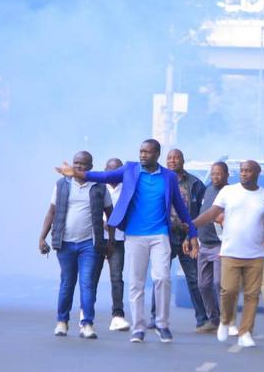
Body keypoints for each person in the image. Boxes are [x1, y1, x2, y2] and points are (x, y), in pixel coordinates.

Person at [55, 139, 198, 344]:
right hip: (134, 235)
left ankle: (162, 324)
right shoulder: (130, 170)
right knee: (136, 283)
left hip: (160, 235)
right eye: (141, 151)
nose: (142, 155)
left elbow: (181, 207)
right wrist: (76, 173)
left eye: (147, 152)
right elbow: (104, 176)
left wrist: (192, 231)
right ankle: (138, 328)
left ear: (157, 154)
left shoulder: (168, 177)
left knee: (162, 278)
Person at [192, 160, 264, 348]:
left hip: (256, 253)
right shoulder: (228, 192)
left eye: (249, 171)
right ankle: (225, 321)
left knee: (251, 295)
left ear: (256, 173)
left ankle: (245, 332)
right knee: (228, 290)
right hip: (231, 251)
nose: (244, 174)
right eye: (242, 171)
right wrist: (193, 225)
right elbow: (212, 213)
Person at [39, 151, 113, 339]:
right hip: (65, 243)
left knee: (87, 283)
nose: (78, 166)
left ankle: (87, 324)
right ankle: (62, 322)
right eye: (76, 163)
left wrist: (110, 241)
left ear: (90, 166)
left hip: (90, 244)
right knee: (67, 283)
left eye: (83, 164)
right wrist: (42, 238)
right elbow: (51, 212)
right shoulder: (62, 185)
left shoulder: (99, 186)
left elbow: (110, 214)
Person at [149, 149, 208, 331]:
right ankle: (154, 317)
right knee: (160, 277)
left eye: (176, 158)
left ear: (183, 160)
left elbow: (202, 212)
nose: (172, 161)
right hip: (164, 235)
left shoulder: (195, 184)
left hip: (187, 238)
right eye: (169, 158)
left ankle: (202, 318)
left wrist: (193, 233)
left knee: (194, 278)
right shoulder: (159, 180)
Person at [94, 158, 130, 332]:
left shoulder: (128, 190)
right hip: (98, 238)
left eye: (117, 170)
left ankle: (118, 315)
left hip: (118, 240)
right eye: (110, 170)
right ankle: (86, 314)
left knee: (116, 278)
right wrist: (102, 223)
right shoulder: (98, 187)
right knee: (91, 277)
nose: (113, 174)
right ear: (105, 170)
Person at [196, 162, 229, 333]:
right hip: (204, 244)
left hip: (220, 245)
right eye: (213, 173)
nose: (215, 177)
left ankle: (225, 320)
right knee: (203, 284)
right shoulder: (207, 189)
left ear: (226, 175)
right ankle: (213, 319)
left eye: (219, 174)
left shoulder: (230, 193)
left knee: (219, 283)